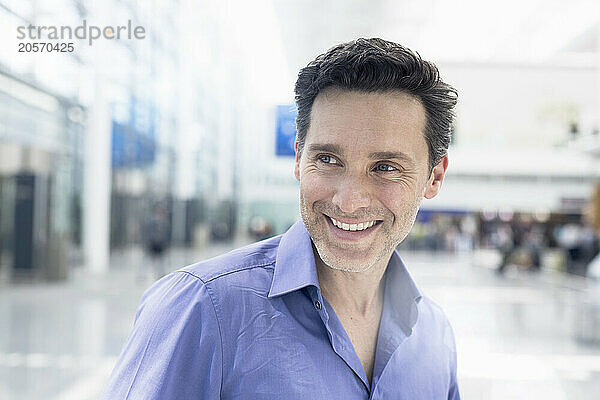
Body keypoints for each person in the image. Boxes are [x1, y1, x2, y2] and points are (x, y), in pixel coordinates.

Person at [102, 38, 460, 399]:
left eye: (385, 168)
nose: (348, 201)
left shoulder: (434, 337)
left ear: (434, 178)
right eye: (328, 160)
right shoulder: (201, 309)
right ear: (298, 159)